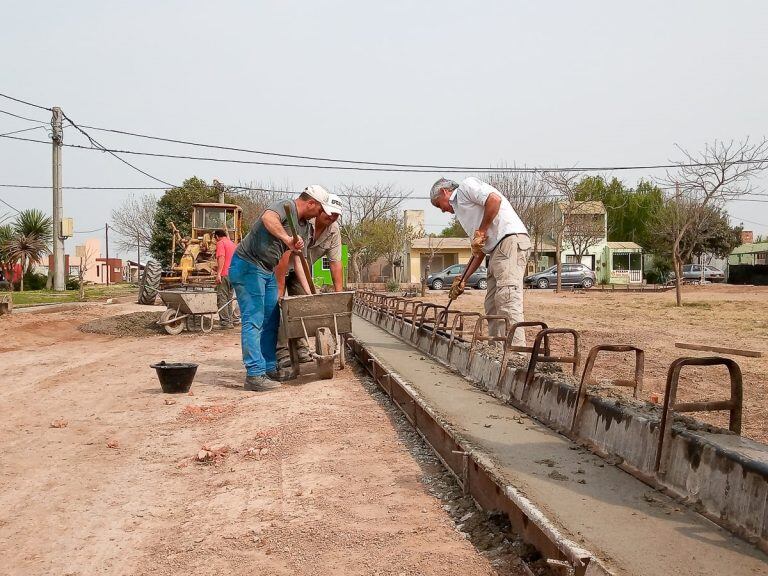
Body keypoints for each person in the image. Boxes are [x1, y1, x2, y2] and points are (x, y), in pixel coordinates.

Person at [229, 185, 334, 391]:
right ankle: (254, 374)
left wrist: (310, 293)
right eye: (320, 209)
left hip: (267, 270)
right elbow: (268, 219)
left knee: (271, 318)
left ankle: (269, 368)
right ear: (311, 203)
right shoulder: (285, 206)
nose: (321, 214)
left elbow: (297, 259)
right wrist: (287, 238)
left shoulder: (304, 227)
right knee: (254, 318)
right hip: (248, 265)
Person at [429, 177, 531, 347]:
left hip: (509, 241)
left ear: (444, 192)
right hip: (495, 251)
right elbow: (479, 251)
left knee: (507, 299)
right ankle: (497, 351)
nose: (442, 211)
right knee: (492, 304)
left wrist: (482, 231)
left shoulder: (466, 187)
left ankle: (516, 355)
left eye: (439, 205)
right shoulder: (463, 213)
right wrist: (463, 279)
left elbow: (494, 200)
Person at [274, 192, 344, 369]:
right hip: (279, 264)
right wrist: (280, 289)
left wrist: (339, 295)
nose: (332, 217)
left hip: (301, 269)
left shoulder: (334, 231)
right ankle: (281, 352)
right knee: (278, 307)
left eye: (336, 215)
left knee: (303, 306)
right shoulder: (304, 222)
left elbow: (336, 263)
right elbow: (287, 254)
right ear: (320, 209)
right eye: (329, 213)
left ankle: (301, 348)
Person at [214, 229, 237, 329]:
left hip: (225, 274)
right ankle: (229, 321)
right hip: (233, 274)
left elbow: (221, 257)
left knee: (222, 298)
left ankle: (225, 322)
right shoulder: (232, 244)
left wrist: (218, 273)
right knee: (229, 299)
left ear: (217, 236)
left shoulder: (220, 243)